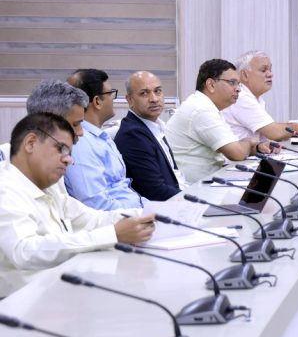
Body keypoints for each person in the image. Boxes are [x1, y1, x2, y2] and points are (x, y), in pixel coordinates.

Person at [0, 113, 154, 297]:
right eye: (61, 149)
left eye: (69, 153)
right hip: (23, 303)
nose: (69, 160)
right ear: (31, 143)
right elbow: (24, 251)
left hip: (61, 290)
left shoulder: (49, 189)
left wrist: (147, 215)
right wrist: (112, 234)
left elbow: (92, 219)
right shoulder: (6, 189)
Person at [165, 59, 277, 184]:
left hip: (211, 180)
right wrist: (250, 141)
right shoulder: (201, 110)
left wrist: (258, 147)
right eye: (232, 83)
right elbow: (237, 153)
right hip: (195, 188)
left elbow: (235, 146)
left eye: (238, 84)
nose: (238, 89)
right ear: (211, 85)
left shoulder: (209, 107)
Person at [63, 69, 144, 210]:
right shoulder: (81, 143)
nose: (113, 98)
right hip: (121, 218)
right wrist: (141, 214)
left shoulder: (100, 136)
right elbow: (96, 204)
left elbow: (121, 189)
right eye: (110, 93)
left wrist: (153, 207)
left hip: (135, 210)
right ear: (97, 101)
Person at [113, 71, 183, 201]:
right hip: (161, 207)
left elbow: (174, 175)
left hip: (177, 195)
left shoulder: (154, 126)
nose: (154, 99)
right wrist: (197, 200)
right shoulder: (133, 135)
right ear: (129, 100)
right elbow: (156, 191)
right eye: (144, 93)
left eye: (158, 91)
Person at [221, 51, 298, 141]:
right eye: (263, 70)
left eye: (270, 69)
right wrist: (295, 127)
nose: (270, 74)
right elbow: (275, 133)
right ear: (245, 75)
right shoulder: (241, 97)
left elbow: (268, 129)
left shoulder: (254, 98)